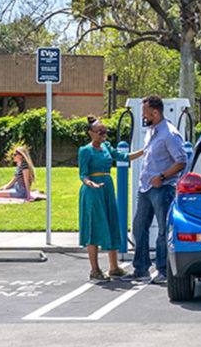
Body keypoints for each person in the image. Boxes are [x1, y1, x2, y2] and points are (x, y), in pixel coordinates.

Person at [121, 95, 188, 285]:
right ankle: (140, 268)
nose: (143, 116)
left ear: (155, 112)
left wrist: (162, 177)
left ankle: (163, 270)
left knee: (162, 231)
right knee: (139, 228)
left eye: (145, 112)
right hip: (145, 188)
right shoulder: (151, 131)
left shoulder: (170, 134)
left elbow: (181, 161)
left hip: (162, 188)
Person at [78, 116, 140, 281]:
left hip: (107, 187)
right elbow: (83, 174)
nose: (104, 136)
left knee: (112, 224)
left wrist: (144, 151)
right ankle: (95, 269)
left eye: (105, 132)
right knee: (94, 227)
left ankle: (114, 267)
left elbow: (123, 157)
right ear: (91, 133)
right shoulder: (85, 150)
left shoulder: (106, 147)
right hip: (93, 191)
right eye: (100, 133)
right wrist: (89, 182)